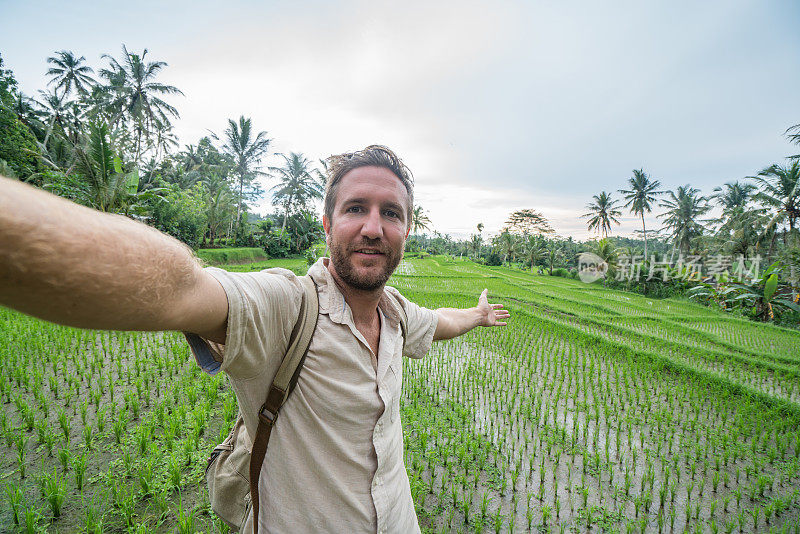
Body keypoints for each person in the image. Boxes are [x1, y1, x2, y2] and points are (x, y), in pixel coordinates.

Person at [0, 145, 509, 533]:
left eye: (391, 213)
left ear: (407, 229)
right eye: (356, 208)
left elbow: (438, 323)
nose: (374, 227)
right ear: (328, 223)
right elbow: (181, 290)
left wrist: (478, 315)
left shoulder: (397, 314)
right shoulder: (286, 307)